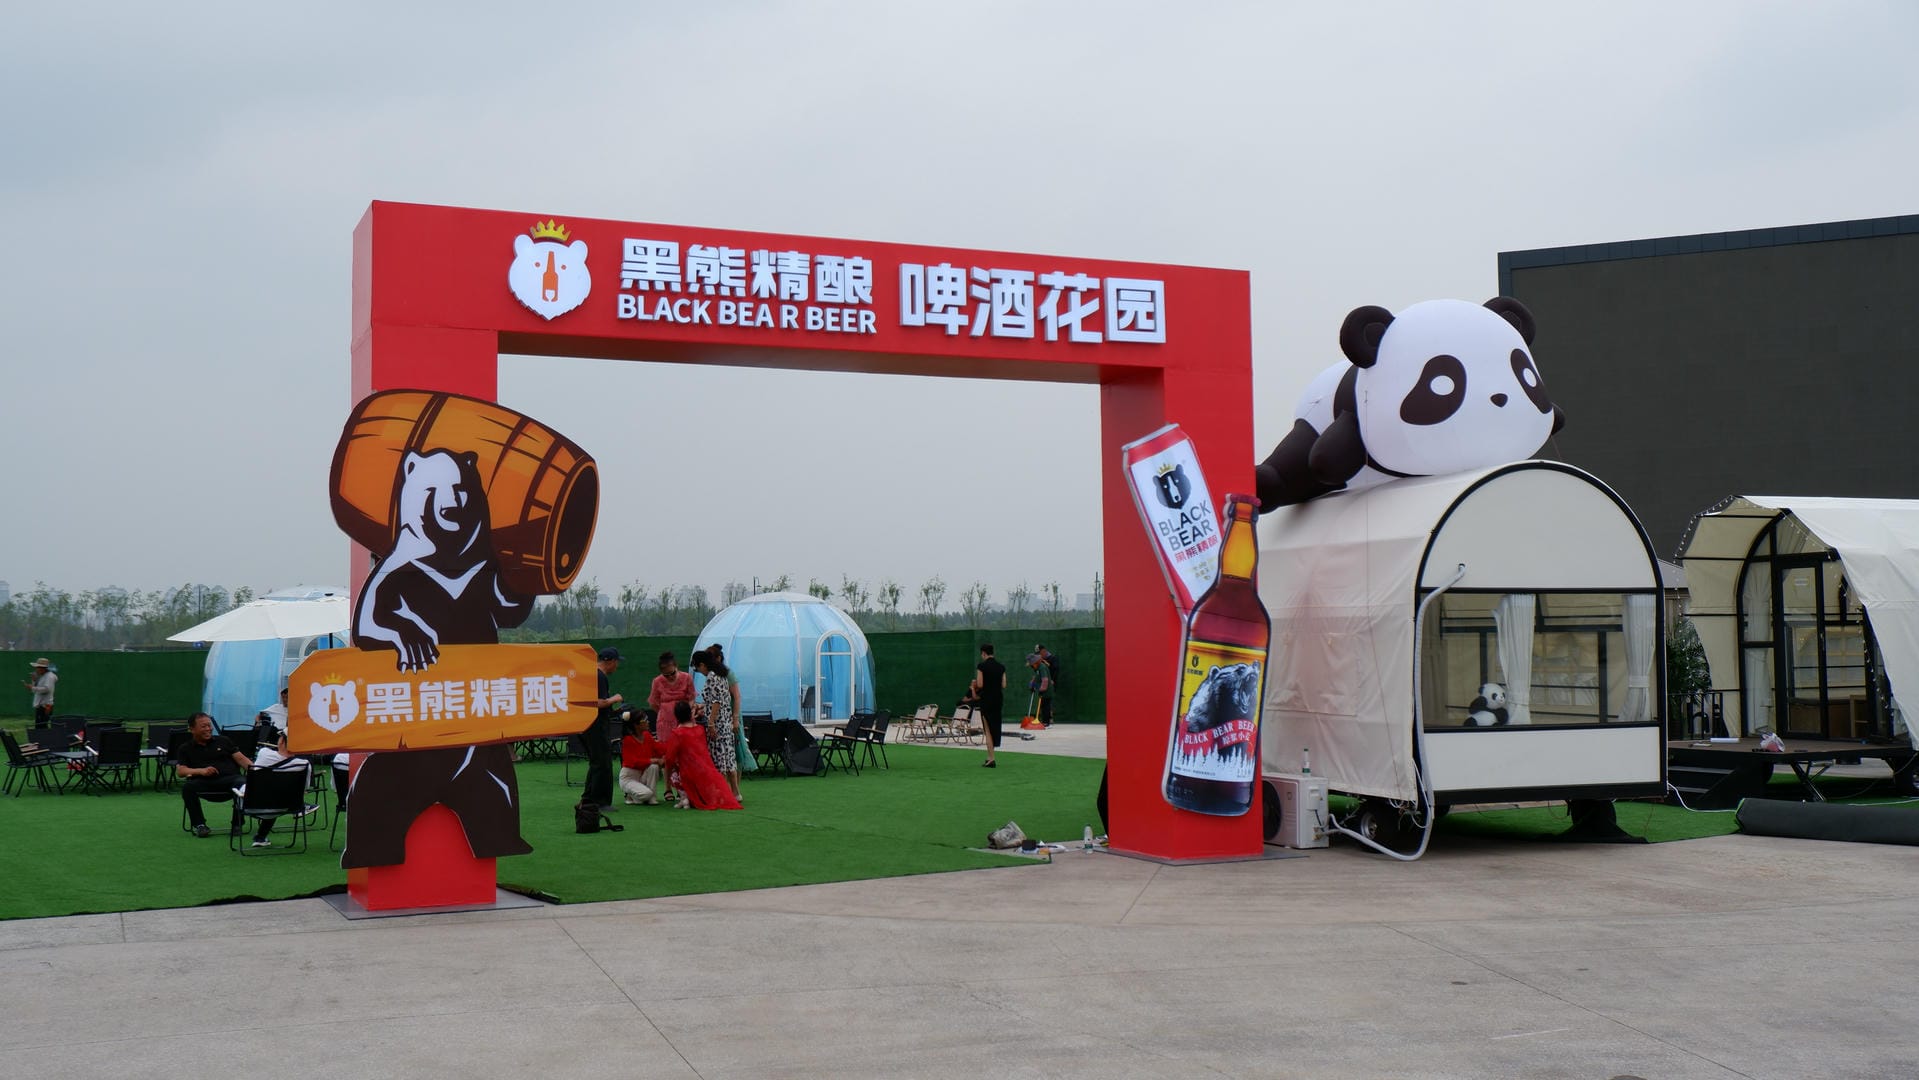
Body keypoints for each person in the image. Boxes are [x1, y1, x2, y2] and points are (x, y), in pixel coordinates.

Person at [175, 712, 254, 837]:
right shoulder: (185, 748)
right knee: (187, 788)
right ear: (192, 729)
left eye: (209, 725)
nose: (208, 729)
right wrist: (201, 771)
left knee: (243, 783)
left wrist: (258, 773)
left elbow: (241, 759)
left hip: (230, 781)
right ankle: (200, 825)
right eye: (203, 726)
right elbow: (181, 771)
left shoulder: (224, 741)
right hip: (204, 783)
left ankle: (237, 824)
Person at [660, 700, 740, 810]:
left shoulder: (677, 733)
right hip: (705, 771)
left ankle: (685, 797)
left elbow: (669, 759)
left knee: (672, 773)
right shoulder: (700, 729)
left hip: (688, 774)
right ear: (690, 713)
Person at [242, 727, 311, 848]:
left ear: (282, 741)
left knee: (244, 788)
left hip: (254, 805)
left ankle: (247, 831)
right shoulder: (304, 764)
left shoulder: (264, 753)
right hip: (285, 806)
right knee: (277, 795)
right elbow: (304, 790)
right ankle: (260, 837)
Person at [693, 650, 742, 802]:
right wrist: (703, 707)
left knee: (719, 759)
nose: (698, 671)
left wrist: (711, 723)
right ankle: (735, 792)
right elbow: (719, 700)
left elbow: (716, 702)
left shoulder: (711, 677)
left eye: (697, 668)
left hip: (718, 723)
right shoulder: (721, 676)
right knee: (729, 758)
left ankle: (723, 793)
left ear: (702, 665)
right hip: (726, 722)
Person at [705, 643, 755, 774]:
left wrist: (735, 719)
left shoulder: (727, 674)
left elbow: (737, 697)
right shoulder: (714, 675)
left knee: (736, 750)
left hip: (731, 715)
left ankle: (735, 787)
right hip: (722, 716)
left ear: (718, 659)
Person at [583, 647, 623, 810]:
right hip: (596, 726)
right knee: (603, 763)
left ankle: (588, 798)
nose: (617, 666)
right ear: (610, 661)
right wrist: (615, 698)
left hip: (592, 724)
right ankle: (600, 801)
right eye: (616, 662)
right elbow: (597, 702)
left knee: (596, 763)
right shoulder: (599, 676)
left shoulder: (593, 674)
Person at [617, 709, 664, 805]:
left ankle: (651, 797)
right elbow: (631, 761)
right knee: (646, 794)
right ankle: (632, 794)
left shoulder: (647, 735)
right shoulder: (628, 740)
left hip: (642, 774)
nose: (648, 722)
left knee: (653, 767)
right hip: (629, 777)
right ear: (636, 725)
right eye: (645, 720)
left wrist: (674, 746)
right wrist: (652, 760)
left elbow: (659, 748)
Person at [972, 643, 1006, 767]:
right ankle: (990, 756)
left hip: (987, 700)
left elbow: (980, 684)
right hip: (998, 699)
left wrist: (975, 685)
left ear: (983, 653)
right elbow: (1004, 685)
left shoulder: (982, 666)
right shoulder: (1001, 667)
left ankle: (991, 758)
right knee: (995, 726)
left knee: (988, 729)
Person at [646, 651, 696, 732]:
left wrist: (687, 711)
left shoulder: (687, 677)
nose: (670, 677)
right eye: (666, 675)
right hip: (665, 723)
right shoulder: (657, 681)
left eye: (672, 673)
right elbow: (653, 703)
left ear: (676, 666)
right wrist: (664, 713)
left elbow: (692, 697)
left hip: (685, 720)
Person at [23, 658, 56, 728]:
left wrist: (32, 687)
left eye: (37, 667)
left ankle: (46, 739)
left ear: (43, 668)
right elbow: (37, 690)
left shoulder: (49, 676)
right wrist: (34, 681)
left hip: (45, 706)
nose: (36, 669)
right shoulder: (44, 676)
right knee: (40, 726)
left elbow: (47, 689)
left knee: (41, 727)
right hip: (42, 705)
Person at [1034, 643, 1060, 726]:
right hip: (1043, 683)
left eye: (1039, 653)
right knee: (1043, 701)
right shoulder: (1040, 661)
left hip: (1050, 682)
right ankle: (1044, 718)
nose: (1038, 655)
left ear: (1044, 651)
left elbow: (1056, 669)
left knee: (1048, 701)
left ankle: (1049, 718)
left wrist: (1052, 679)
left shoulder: (1052, 658)